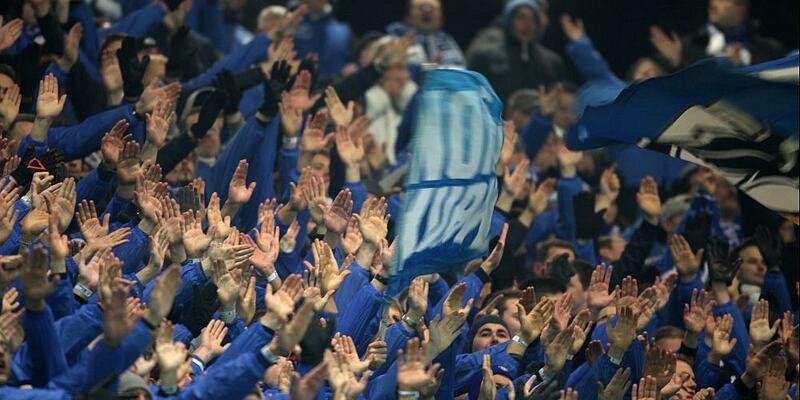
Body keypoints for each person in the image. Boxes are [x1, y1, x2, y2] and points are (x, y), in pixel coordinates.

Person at [466, 0, 566, 103]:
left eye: (533, 18)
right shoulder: (486, 56)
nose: (527, 24)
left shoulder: (552, 63)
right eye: (520, 17)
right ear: (509, 20)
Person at [650, 0, 785, 68]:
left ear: (742, 9)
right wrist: (678, 62)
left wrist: (744, 64)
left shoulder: (770, 48)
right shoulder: (687, 46)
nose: (714, 3)